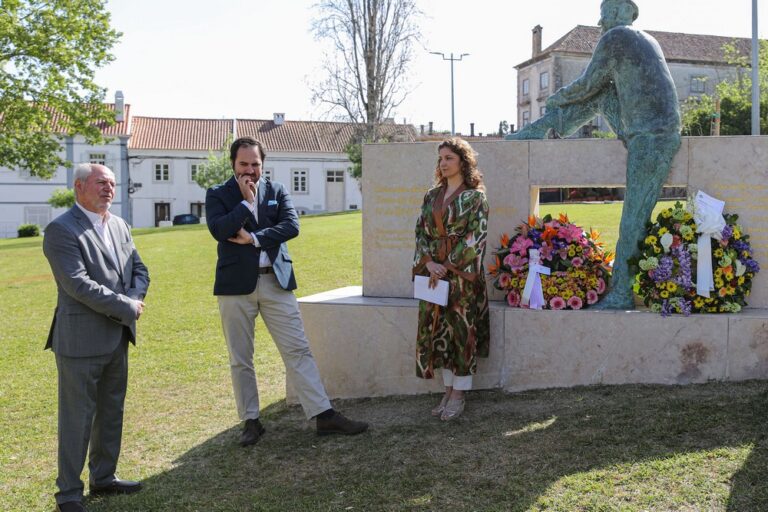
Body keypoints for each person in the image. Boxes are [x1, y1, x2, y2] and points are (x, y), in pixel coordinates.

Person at [507, 0, 681, 309]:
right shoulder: (645, 39)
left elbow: (588, 82)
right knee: (599, 97)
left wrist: (557, 98)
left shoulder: (616, 37)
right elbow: (599, 90)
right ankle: (542, 128)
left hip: (652, 137)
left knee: (632, 220)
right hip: (643, 130)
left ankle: (622, 293)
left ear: (616, 11)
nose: (600, 23)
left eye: (602, 16)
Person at [205, 136, 368, 445]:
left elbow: (292, 226)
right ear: (232, 164)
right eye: (244, 164)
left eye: (256, 164)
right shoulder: (218, 194)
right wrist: (245, 203)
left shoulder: (277, 191)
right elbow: (219, 230)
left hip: (276, 282)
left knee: (298, 349)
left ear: (263, 164)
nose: (250, 171)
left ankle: (323, 415)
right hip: (234, 287)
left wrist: (254, 239)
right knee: (241, 357)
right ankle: (251, 421)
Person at [42, 163, 150, 512]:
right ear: (79, 186)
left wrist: (134, 298)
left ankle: (104, 477)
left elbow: (139, 268)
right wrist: (126, 305)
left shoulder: (119, 225)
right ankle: (69, 494)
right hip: (80, 341)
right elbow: (76, 284)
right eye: (101, 182)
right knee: (77, 418)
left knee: (111, 411)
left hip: (116, 336)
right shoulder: (60, 230)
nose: (109, 189)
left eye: (113, 184)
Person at [413, 138, 490, 421]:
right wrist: (430, 263)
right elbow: (420, 233)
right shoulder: (431, 196)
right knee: (439, 331)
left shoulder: (476, 197)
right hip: (434, 274)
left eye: (449, 158)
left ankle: (460, 392)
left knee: (461, 332)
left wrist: (448, 265)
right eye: (441, 158)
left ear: (463, 162)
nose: (443, 164)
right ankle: (447, 389)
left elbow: (475, 238)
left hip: (462, 276)